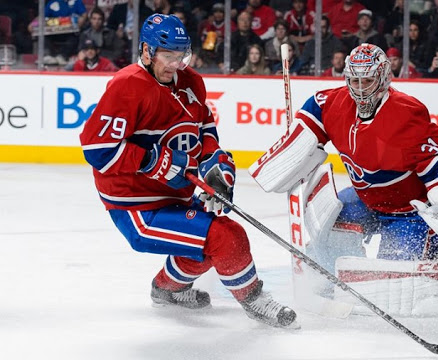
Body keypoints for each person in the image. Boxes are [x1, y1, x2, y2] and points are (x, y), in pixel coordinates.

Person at [249, 43, 438, 318]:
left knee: (394, 284)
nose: (361, 88)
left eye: (368, 80)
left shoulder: (405, 114)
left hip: (410, 212)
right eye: (355, 80)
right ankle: (333, 282)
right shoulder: (333, 103)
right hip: (367, 200)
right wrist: (293, 152)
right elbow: (312, 116)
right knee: (330, 223)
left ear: (384, 78)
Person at [79, 14, 297, 329]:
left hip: (175, 195)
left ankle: (167, 289)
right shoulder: (127, 86)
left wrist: (215, 166)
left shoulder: (192, 81)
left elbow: (204, 128)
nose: (175, 63)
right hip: (136, 206)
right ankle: (255, 301)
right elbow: (96, 149)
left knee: (205, 247)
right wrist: (155, 161)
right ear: (146, 51)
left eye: (181, 55)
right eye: (168, 56)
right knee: (226, 237)